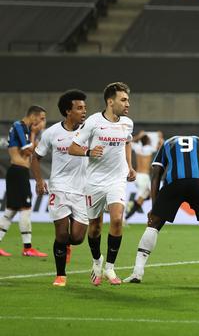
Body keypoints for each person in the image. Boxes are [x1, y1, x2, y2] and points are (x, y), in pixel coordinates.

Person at [123, 135, 199, 285]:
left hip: (174, 184)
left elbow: (156, 174)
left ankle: (137, 273)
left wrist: (155, 208)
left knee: (153, 225)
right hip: (198, 184)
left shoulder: (168, 143)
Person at [68, 82, 136, 286]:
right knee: (95, 227)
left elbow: (127, 142)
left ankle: (110, 268)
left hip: (117, 180)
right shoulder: (93, 122)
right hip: (94, 182)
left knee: (116, 220)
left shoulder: (127, 123)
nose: (127, 104)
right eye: (123, 100)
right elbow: (73, 147)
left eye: (128, 100)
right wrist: (88, 152)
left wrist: (130, 167)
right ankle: (97, 261)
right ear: (110, 101)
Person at [31, 90, 89, 286]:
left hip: (83, 190)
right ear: (67, 111)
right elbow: (35, 157)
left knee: (78, 238)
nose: (84, 111)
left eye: (84, 108)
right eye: (79, 108)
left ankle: (66, 246)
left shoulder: (89, 131)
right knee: (62, 234)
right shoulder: (52, 133)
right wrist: (40, 181)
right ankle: (60, 274)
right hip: (59, 187)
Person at [0, 105, 47, 257]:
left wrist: (33, 137)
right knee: (25, 207)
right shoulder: (19, 126)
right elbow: (28, 151)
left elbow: (31, 150)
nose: (42, 122)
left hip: (19, 172)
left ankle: (26, 247)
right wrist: (34, 133)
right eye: (41, 118)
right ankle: (27, 248)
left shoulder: (23, 128)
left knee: (11, 210)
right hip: (18, 172)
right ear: (33, 117)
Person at [126, 131, 164, 221]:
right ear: (148, 141)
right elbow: (162, 146)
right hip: (144, 177)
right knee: (148, 195)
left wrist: (138, 136)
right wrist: (160, 137)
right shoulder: (149, 148)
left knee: (146, 195)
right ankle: (126, 214)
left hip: (138, 175)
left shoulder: (137, 147)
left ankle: (127, 215)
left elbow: (129, 142)